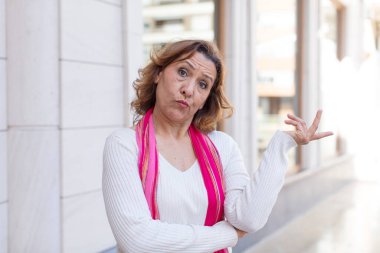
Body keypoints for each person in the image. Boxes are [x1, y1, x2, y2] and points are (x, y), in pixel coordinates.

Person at [102, 40, 333, 253]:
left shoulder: (222, 146)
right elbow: (136, 240)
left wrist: (282, 145)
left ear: (206, 99)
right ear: (159, 74)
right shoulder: (124, 145)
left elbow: (248, 219)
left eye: (203, 84)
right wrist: (225, 235)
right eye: (183, 72)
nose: (189, 89)